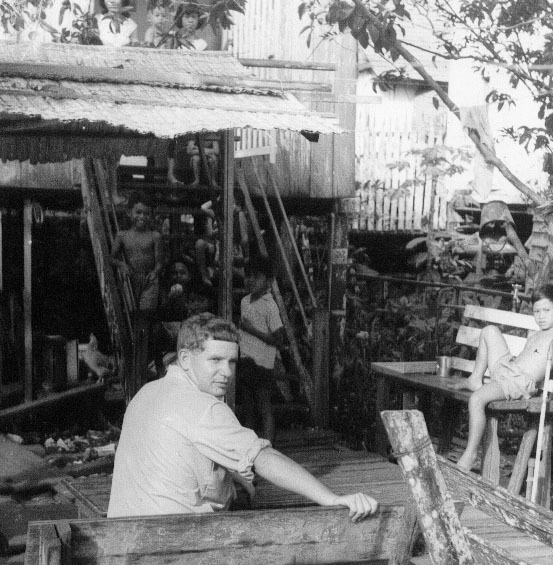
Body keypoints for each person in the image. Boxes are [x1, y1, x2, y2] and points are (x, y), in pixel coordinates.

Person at [108, 313, 378, 521]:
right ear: (186, 359)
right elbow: (264, 458)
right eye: (215, 360)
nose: (227, 372)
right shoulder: (204, 407)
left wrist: (234, 476)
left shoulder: (146, 392)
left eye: (232, 361)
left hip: (125, 539)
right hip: (175, 545)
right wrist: (331, 499)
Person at [451, 284, 553, 471]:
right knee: (489, 331)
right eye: (537, 311)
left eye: (546, 310)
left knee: (477, 399)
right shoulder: (535, 334)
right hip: (508, 369)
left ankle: (470, 454)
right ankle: (475, 378)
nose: (541, 316)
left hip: (519, 382)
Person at [237, 256, 284, 445]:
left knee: (264, 406)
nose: (250, 280)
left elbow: (279, 339)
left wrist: (251, 331)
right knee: (248, 407)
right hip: (245, 359)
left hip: (262, 364)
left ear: (269, 281)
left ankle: (269, 446)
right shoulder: (244, 301)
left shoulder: (270, 306)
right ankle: (249, 448)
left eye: (256, 276)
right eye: (247, 275)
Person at [111, 191, 163, 315]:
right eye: (138, 212)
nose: (142, 216)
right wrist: (122, 265)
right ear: (129, 212)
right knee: (130, 312)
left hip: (149, 280)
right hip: (130, 279)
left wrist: (155, 272)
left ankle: (145, 328)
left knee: (146, 312)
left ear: (151, 215)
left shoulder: (155, 236)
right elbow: (112, 258)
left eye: (146, 213)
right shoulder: (122, 236)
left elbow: (159, 263)